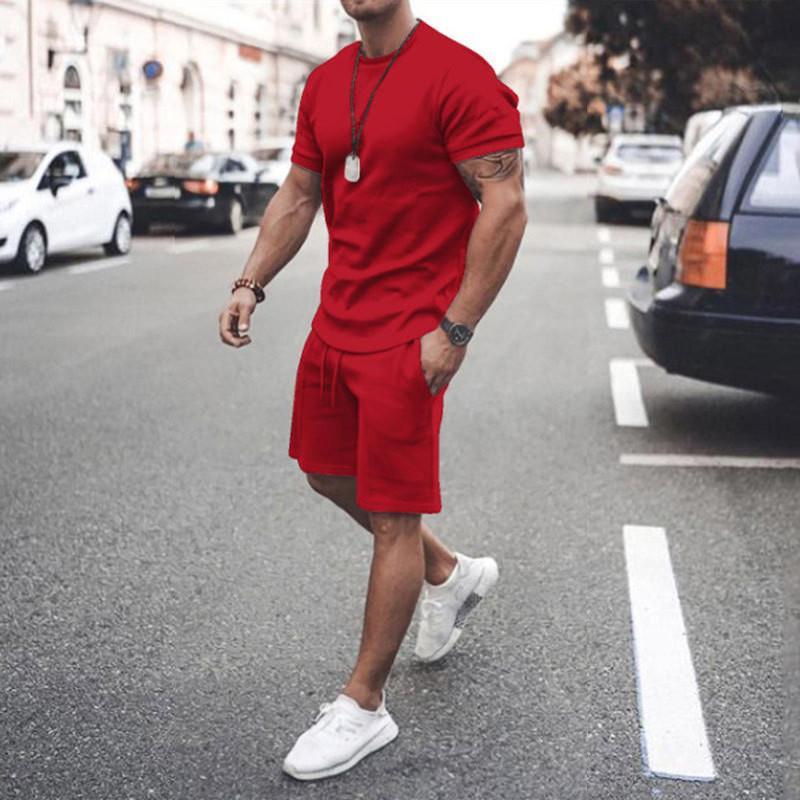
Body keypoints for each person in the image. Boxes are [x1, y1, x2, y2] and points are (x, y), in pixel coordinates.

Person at [218, 0, 527, 781]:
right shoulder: (325, 82)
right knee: (326, 473)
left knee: (394, 515)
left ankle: (364, 705)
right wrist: (251, 281)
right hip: (336, 323)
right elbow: (299, 193)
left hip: (411, 334)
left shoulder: (459, 77)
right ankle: (448, 573)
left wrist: (455, 329)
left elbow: (506, 205)